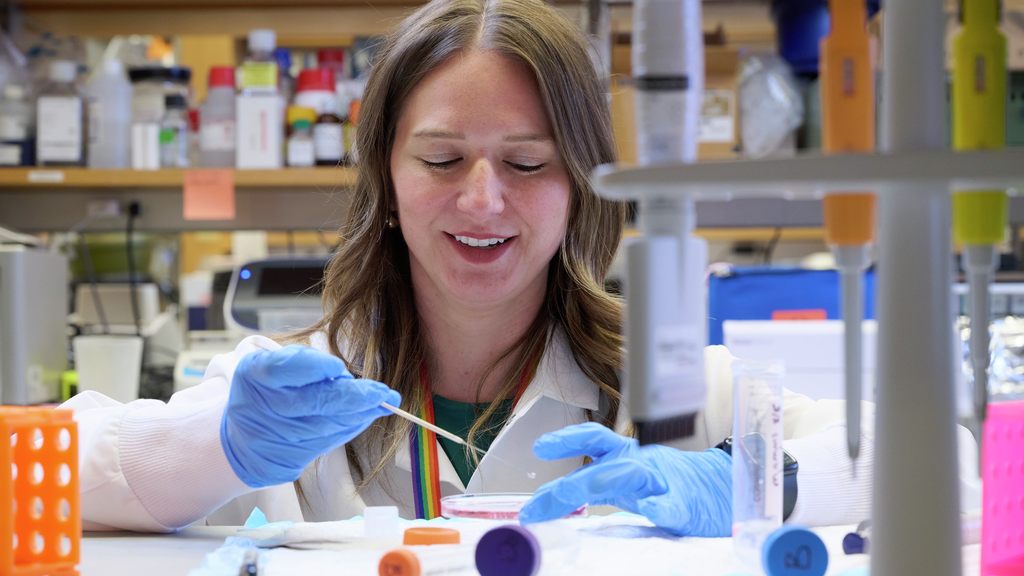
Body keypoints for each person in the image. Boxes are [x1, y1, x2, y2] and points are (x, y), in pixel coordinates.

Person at [64, 0, 980, 535]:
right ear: (384, 170)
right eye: (440, 159)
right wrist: (217, 448)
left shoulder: (668, 385)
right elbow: (49, 470)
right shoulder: (286, 390)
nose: (482, 201)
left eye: (529, 163)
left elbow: (953, 461)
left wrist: (750, 483)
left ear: (582, 182)